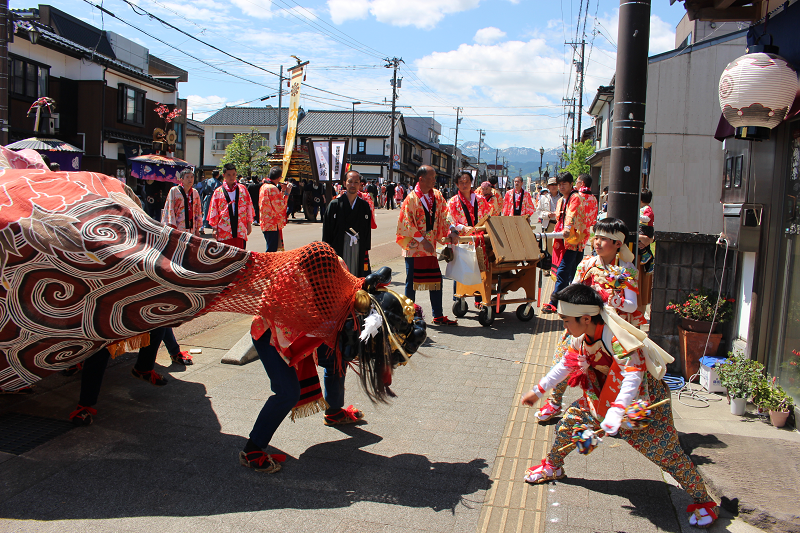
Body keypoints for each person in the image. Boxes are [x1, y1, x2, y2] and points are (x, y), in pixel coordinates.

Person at [521, 283, 718, 528]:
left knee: (667, 455)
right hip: (601, 398)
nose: (564, 326)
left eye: (566, 320)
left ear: (585, 318)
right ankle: (553, 466)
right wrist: (538, 390)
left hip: (644, 405)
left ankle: (703, 501)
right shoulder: (581, 337)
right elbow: (565, 365)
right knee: (570, 423)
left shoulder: (617, 338)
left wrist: (616, 411)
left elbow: (633, 376)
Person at [535, 218, 646, 422]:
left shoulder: (626, 269)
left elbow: (632, 305)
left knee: (621, 372)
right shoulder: (587, 263)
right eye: (597, 237)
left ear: (617, 244)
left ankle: (616, 413)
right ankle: (554, 402)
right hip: (584, 326)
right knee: (564, 359)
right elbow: (575, 288)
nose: (597, 242)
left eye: (604, 239)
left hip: (613, 331)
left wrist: (611, 298)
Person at [396, 165, 460, 326]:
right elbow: (406, 223)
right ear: (421, 179)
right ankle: (408, 317)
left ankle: (438, 315)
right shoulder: (411, 198)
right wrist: (422, 241)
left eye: (434, 177)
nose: (434, 180)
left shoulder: (437, 196)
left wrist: (452, 229)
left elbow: (445, 214)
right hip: (414, 248)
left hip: (430, 246)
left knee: (436, 280)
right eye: (431, 178)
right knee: (411, 283)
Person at [542, 173, 597, 314]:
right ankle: (572, 301)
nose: (561, 186)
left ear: (572, 184)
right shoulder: (562, 199)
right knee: (573, 273)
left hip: (573, 241)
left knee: (563, 271)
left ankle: (554, 302)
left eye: (564, 183)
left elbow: (571, 215)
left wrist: (567, 228)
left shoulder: (575, 197)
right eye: (559, 184)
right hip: (563, 240)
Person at [448, 171, 492, 307]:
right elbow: (449, 220)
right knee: (460, 267)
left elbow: (488, 216)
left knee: (479, 268)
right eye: (461, 182)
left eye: (467, 181)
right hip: (462, 239)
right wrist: (461, 227)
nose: (464, 184)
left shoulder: (480, 199)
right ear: (456, 184)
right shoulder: (453, 201)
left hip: (479, 239)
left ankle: (478, 299)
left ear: (471, 182)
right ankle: (459, 298)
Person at [322, 170, 372, 276]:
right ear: (344, 183)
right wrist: (327, 250)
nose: (353, 185)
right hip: (339, 245)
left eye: (356, 182)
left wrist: (366, 248)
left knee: (357, 274)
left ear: (360, 184)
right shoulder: (335, 205)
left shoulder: (364, 206)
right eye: (350, 181)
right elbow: (327, 230)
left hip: (358, 245)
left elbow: (367, 230)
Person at [207, 163, 255, 249]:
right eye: (228, 175)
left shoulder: (243, 189)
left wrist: (249, 223)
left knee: (240, 256)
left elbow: (248, 206)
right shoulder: (218, 191)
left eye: (233, 174)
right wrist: (214, 228)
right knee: (225, 257)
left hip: (240, 228)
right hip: (224, 229)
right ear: (224, 175)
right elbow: (213, 210)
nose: (231, 177)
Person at [259, 166, 293, 252]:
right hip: (272, 223)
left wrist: (282, 190)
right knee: (271, 250)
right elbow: (280, 207)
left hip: (266, 222)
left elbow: (275, 202)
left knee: (271, 247)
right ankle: (268, 265)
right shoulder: (272, 188)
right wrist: (287, 193)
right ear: (279, 178)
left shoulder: (264, 186)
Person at [162, 168, 202, 237]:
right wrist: (171, 226)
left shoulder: (195, 192)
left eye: (192, 177)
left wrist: (197, 228)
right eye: (187, 177)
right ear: (181, 179)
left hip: (191, 226)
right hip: (178, 225)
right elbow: (169, 209)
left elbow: (198, 210)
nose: (190, 179)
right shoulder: (174, 191)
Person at [638, 188, 655, 316]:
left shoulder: (647, 209)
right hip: (643, 231)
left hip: (646, 230)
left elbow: (646, 219)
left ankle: (648, 256)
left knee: (643, 245)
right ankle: (647, 256)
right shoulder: (643, 208)